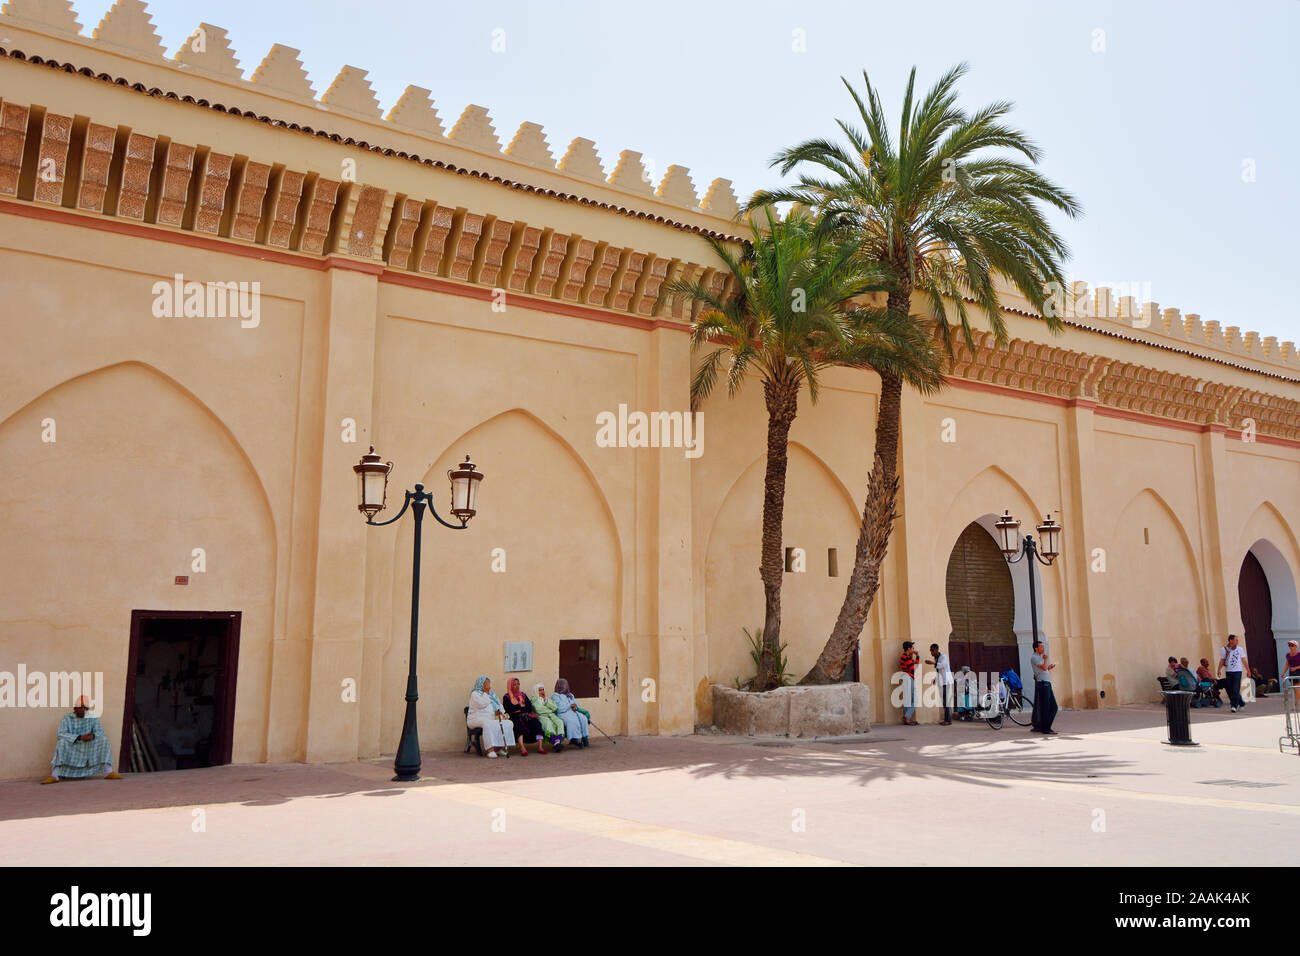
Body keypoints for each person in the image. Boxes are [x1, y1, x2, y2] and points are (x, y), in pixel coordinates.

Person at [41, 696, 123, 784]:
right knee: (61, 743)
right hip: (73, 745)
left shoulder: (93, 718)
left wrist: (92, 735)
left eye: (85, 708)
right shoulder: (67, 718)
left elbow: (100, 732)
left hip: (88, 745)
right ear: (75, 708)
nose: (83, 710)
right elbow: (61, 734)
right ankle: (54, 775)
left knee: (104, 740)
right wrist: (79, 737)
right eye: (80, 707)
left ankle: (109, 772)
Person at [466, 676, 516, 758]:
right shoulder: (475, 694)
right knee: (488, 724)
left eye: (489, 683)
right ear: (481, 684)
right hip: (475, 719)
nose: (489, 685)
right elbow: (481, 704)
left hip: (492, 718)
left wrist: (500, 712)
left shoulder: (492, 694)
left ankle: (498, 748)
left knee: (508, 723)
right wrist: (485, 693)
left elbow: (499, 704)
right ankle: (490, 750)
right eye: (486, 683)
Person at [501, 677, 548, 755]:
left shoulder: (523, 695)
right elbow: (509, 709)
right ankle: (522, 747)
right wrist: (520, 708)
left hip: (526, 715)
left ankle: (540, 747)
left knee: (536, 723)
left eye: (518, 684)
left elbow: (529, 707)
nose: (517, 686)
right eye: (514, 684)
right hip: (514, 717)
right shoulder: (506, 697)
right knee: (518, 724)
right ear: (510, 686)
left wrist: (519, 708)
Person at [1029, 640, 1058, 735]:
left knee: (1053, 707)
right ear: (1036, 648)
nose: (1043, 648)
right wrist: (1046, 660)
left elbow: (1044, 668)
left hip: (1047, 683)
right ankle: (1046, 728)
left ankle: (1045, 726)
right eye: (1041, 646)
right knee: (1047, 707)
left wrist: (1049, 667)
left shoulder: (1039, 658)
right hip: (1043, 684)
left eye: (1043, 646)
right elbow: (1044, 668)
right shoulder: (1035, 657)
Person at [552, 678, 589, 747]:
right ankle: (575, 738)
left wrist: (575, 707)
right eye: (563, 685)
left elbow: (576, 704)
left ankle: (583, 737)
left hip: (572, 712)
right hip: (562, 714)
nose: (565, 687)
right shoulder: (555, 696)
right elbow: (559, 708)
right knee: (571, 721)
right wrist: (569, 705)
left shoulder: (570, 695)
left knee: (583, 718)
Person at [1217, 634, 1248, 713]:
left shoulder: (1240, 649)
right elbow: (1222, 660)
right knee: (1231, 689)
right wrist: (1219, 670)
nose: (1237, 641)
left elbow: (1244, 660)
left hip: (1238, 672)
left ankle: (1234, 706)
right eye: (1236, 640)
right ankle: (1242, 703)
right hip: (1229, 672)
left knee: (1236, 689)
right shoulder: (1224, 649)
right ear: (1231, 641)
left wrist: (1248, 670)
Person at [530, 683, 565, 750]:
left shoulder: (547, 699)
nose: (542, 691)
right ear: (536, 691)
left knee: (560, 722)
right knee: (547, 724)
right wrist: (549, 709)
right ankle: (555, 743)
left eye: (543, 690)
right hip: (542, 717)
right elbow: (539, 710)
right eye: (540, 690)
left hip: (552, 715)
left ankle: (557, 742)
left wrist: (546, 701)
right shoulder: (534, 700)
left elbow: (555, 707)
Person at [927, 643, 954, 725]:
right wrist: (936, 678)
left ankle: (948, 720)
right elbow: (939, 670)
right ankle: (947, 719)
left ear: (936, 649)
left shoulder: (943, 657)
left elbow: (942, 666)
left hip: (946, 681)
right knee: (943, 700)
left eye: (931, 651)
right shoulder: (936, 658)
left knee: (946, 700)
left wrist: (932, 663)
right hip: (941, 681)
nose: (931, 653)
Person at [898, 642, 920, 725]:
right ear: (908, 648)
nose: (913, 649)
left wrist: (916, 656)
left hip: (907, 677)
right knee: (914, 699)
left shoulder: (907, 657)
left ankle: (906, 718)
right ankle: (907, 716)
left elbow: (915, 666)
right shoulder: (906, 657)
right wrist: (916, 657)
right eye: (912, 648)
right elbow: (913, 669)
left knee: (908, 698)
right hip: (908, 677)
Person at [1285, 641, 1300, 707]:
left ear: (1296, 646)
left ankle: (1295, 705)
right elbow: (1287, 664)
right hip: (1292, 674)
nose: (1290, 647)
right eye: (1289, 645)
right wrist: (1283, 672)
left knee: (1297, 690)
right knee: (1295, 690)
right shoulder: (1288, 655)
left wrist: (1295, 668)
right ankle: (1296, 705)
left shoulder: (1299, 654)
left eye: (1292, 645)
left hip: (1298, 673)